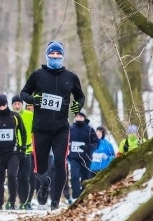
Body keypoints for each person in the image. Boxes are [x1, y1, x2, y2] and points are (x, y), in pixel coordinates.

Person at [20, 41, 85, 210]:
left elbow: (80, 97)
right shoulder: (37, 75)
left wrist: (79, 106)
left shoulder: (71, 77)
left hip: (61, 129)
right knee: (39, 168)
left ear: (63, 56)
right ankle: (44, 183)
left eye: (58, 54)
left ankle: (55, 201)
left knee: (60, 162)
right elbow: (24, 93)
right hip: (40, 129)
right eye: (52, 54)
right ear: (47, 55)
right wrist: (33, 100)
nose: (55, 57)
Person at [0, 94, 27, 210]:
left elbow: (23, 132)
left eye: (3, 105)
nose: (2, 108)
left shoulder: (15, 117)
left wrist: (23, 148)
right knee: (0, 179)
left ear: (7, 104)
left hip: (13, 152)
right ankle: (0, 204)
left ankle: (13, 202)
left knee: (12, 175)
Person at [68, 110, 97, 204]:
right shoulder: (70, 129)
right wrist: (69, 146)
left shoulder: (89, 130)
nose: (79, 118)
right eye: (77, 116)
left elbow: (96, 143)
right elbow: (65, 141)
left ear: (84, 117)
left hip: (86, 157)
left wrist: (88, 147)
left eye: (81, 116)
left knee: (86, 177)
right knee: (74, 176)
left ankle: (84, 195)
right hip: (73, 157)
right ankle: (76, 196)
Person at [11, 95, 34, 209]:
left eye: (18, 103)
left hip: (27, 150)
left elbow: (36, 129)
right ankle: (13, 201)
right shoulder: (10, 116)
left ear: (22, 104)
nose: (17, 106)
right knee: (14, 176)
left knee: (25, 177)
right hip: (13, 151)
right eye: (14, 104)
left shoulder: (30, 115)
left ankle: (25, 202)